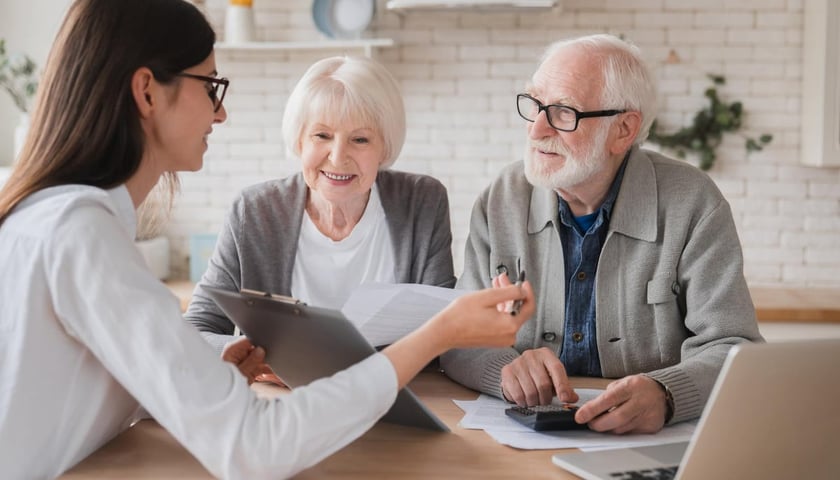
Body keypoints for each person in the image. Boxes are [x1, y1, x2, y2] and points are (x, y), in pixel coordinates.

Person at [0, 0, 535, 478]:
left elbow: (99, 388)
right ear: (146, 92)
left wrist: (206, 364)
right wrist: (438, 332)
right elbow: (255, 447)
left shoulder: (55, 219)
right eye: (211, 86)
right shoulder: (81, 233)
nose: (222, 111)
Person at [440, 34, 763, 435]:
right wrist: (503, 369)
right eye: (535, 105)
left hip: (649, 439)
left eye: (563, 112)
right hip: (520, 435)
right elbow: (456, 334)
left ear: (624, 130)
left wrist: (666, 394)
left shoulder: (693, 203)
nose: (537, 129)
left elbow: (735, 347)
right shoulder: (500, 199)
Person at [185, 55, 456, 373]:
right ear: (299, 140)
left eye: (360, 139)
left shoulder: (422, 202)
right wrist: (255, 357)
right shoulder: (254, 212)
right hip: (282, 404)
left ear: (385, 147)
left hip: (388, 398)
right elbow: (196, 329)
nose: (338, 157)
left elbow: (443, 334)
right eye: (322, 136)